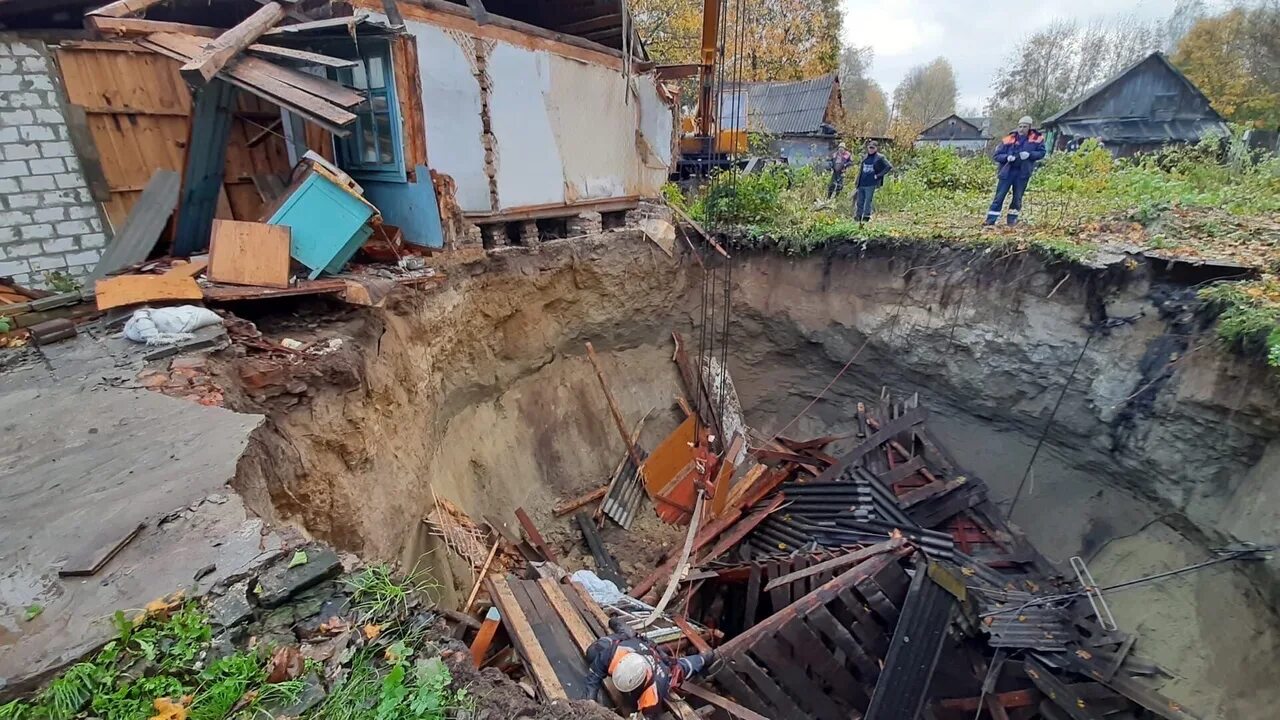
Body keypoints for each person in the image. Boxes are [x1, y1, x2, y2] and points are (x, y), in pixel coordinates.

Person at [584, 620, 719, 717]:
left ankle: (704, 658)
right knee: (592, 653)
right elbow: (594, 675)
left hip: (661, 663)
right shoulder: (616, 654)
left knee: (680, 668)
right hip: (636, 644)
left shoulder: (653, 693)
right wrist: (590, 701)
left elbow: (646, 716)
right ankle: (626, 633)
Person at [984, 116, 1045, 226]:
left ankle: (1012, 221)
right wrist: (1006, 157)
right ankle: (990, 220)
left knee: (1017, 198)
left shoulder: (1037, 139)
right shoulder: (1009, 138)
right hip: (1007, 172)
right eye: (1020, 126)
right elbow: (997, 155)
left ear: (1030, 127)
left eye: (1024, 127)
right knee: (999, 197)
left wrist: (1030, 155)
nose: (1021, 129)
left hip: (1023, 172)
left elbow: (1042, 153)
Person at [853, 139, 892, 222]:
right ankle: (858, 216)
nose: (870, 149)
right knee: (860, 200)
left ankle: (866, 216)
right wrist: (857, 181)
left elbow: (888, 166)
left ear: (876, 148)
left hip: (871, 183)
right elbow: (861, 170)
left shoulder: (880, 157)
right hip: (862, 182)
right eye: (869, 147)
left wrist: (878, 175)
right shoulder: (865, 157)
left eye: (872, 148)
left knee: (868, 200)